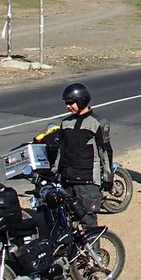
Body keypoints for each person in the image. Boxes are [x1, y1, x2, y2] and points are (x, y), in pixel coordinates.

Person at [48, 82, 113, 226]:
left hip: (87, 183)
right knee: (66, 223)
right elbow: (61, 151)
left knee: (88, 222)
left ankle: (94, 242)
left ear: (81, 100)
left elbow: (105, 152)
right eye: (66, 103)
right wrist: (55, 171)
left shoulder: (97, 123)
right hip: (67, 182)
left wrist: (108, 178)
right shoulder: (65, 123)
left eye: (71, 102)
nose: (68, 106)